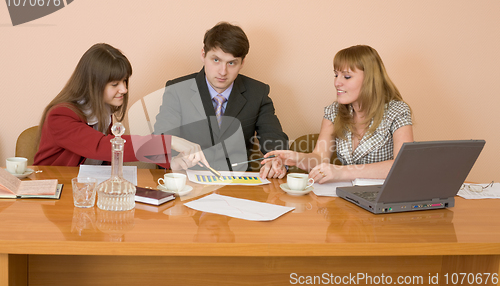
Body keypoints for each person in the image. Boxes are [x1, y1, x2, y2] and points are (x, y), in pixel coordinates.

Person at [34, 43, 207, 170]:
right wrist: (170, 142)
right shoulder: (60, 115)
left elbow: (112, 152)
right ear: (93, 84)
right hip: (55, 192)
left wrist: (172, 163)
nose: (124, 89)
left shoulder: (102, 112)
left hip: (84, 188)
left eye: (124, 81)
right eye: (115, 84)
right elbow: (103, 146)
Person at [154, 22, 288, 178]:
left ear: (242, 63)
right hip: (187, 182)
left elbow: (274, 138)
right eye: (216, 60)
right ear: (203, 54)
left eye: (231, 63)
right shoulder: (177, 89)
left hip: (238, 186)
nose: (223, 72)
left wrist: (276, 159)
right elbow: (160, 139)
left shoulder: (257, 93)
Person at [262, 45, 413, 183]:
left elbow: (404, 164)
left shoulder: (397, 111)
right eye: (336, 75)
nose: (337, 83)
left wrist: (342, 172)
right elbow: (320, 157)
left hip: (384, 198)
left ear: (370, 79)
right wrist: (297, 158)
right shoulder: (334, 111)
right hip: (348, 199)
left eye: (346, 76)